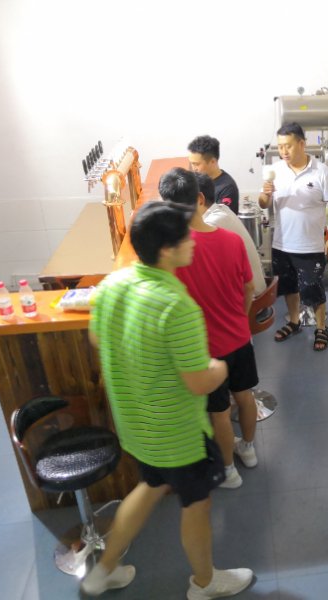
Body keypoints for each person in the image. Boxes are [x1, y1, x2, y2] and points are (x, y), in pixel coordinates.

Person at [82, 201, 253, 599]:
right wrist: (219, 368)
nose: (192, 241)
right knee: (197, 504)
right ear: (165, 250)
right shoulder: (176, 305)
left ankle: (103, 572)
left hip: (136, 425)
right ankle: (205, 582)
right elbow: (198, 383)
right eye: (184, 238)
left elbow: (97, 338)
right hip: (177, 434)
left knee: (149, 486)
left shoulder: (113, 285)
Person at [160, 168, 259, 490]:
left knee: (219, 412)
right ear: (200, 198)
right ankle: (248, 449)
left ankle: (228, 471)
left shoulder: (174, 253)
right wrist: (240, 319)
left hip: (206, 349)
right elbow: (248, 288)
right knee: (245, 396)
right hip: (239, 338)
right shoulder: (231, 240)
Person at [258, 122, 328, 351]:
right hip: (282, 243)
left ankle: (321, 327)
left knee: (313, 289)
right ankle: (294, 322)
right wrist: (265, 194)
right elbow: (263, 203)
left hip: (310, 246)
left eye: (288, 146)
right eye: (280, 146)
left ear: (302, 144)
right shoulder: (275, 171)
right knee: (289, 287)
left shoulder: (321, 171)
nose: (283, 151)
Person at [195, 172, 267, 295]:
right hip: (250, 289)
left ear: (199, 199)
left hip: (250, 297)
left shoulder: (213, 223)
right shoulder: (221, 209)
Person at [188, 135, 240, 214]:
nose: (193, 168)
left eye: (196, 164)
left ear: (213, 161)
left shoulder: (227, 188)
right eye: (191, 163)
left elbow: (219, 218)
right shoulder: (195, 181)